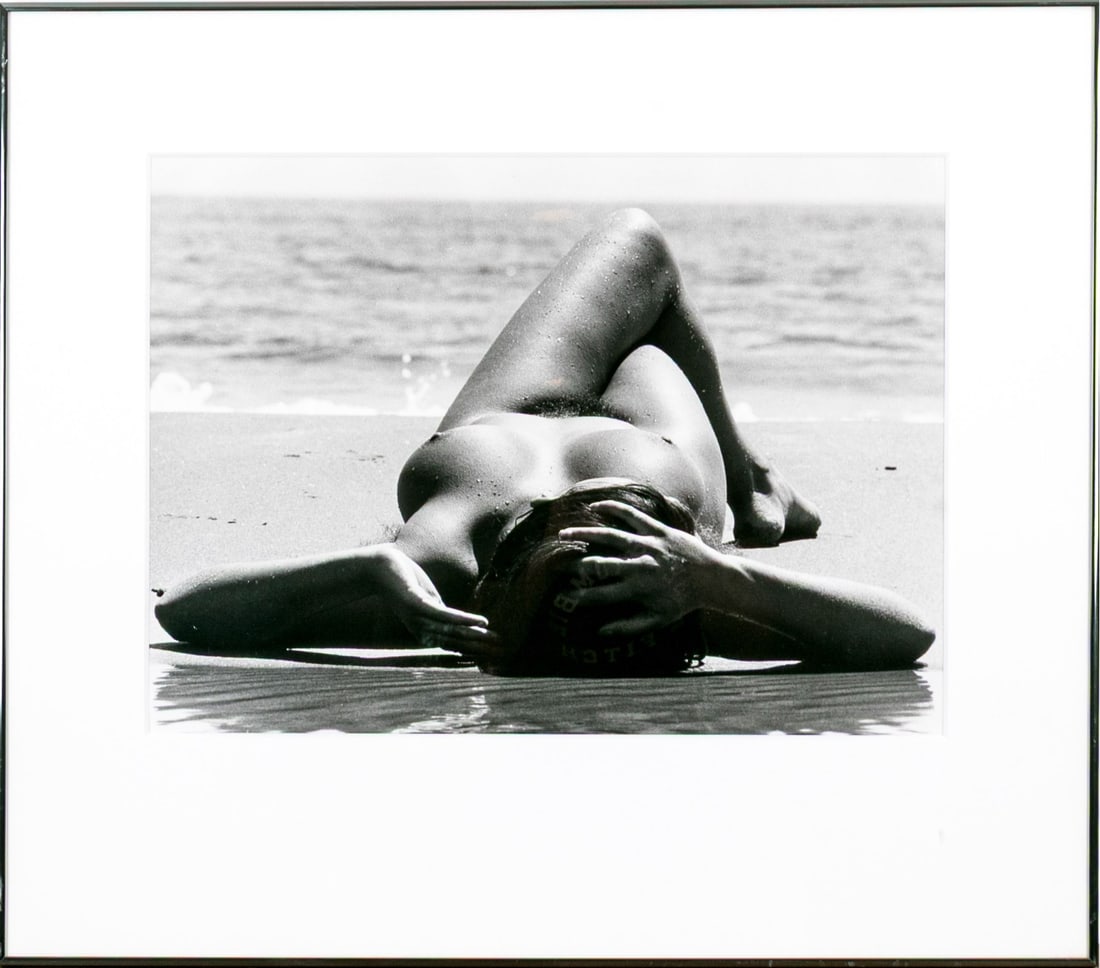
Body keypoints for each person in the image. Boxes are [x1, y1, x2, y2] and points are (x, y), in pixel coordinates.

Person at [155, 208, 935, 675]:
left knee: (639, 251)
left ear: (495, 592)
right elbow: (907, 630)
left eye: (558, 544)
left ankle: (759, 480)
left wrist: (362, 564)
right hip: (650, 444)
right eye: (614, 535)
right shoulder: (670, 601)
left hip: (504, 423)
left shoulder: (442, 584)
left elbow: (185, 608)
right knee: (643, 282)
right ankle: (750, 481)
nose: (583, 519)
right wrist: (718, 578)